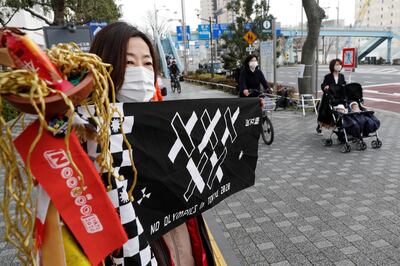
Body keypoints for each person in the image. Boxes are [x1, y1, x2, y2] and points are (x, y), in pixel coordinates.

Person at [89, 22, 214, 266]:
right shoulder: (90, 137)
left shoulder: (166, 123)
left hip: (182, 241)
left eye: (147, 63)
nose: (140, 72)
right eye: (128, 62)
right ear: (103, 66)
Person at [317, 59, 347, 142]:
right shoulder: (328, 76)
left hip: (338, 98)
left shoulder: (342, 76)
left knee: (339, 113)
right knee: (325, 114)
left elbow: (344, 85)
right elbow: (323, 85)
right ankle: (319, 127)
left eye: (340, 64)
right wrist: (325, 87)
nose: (339, 66)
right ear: (332, 66)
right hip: (329, 97)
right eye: (337, 64)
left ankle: (340, 129)